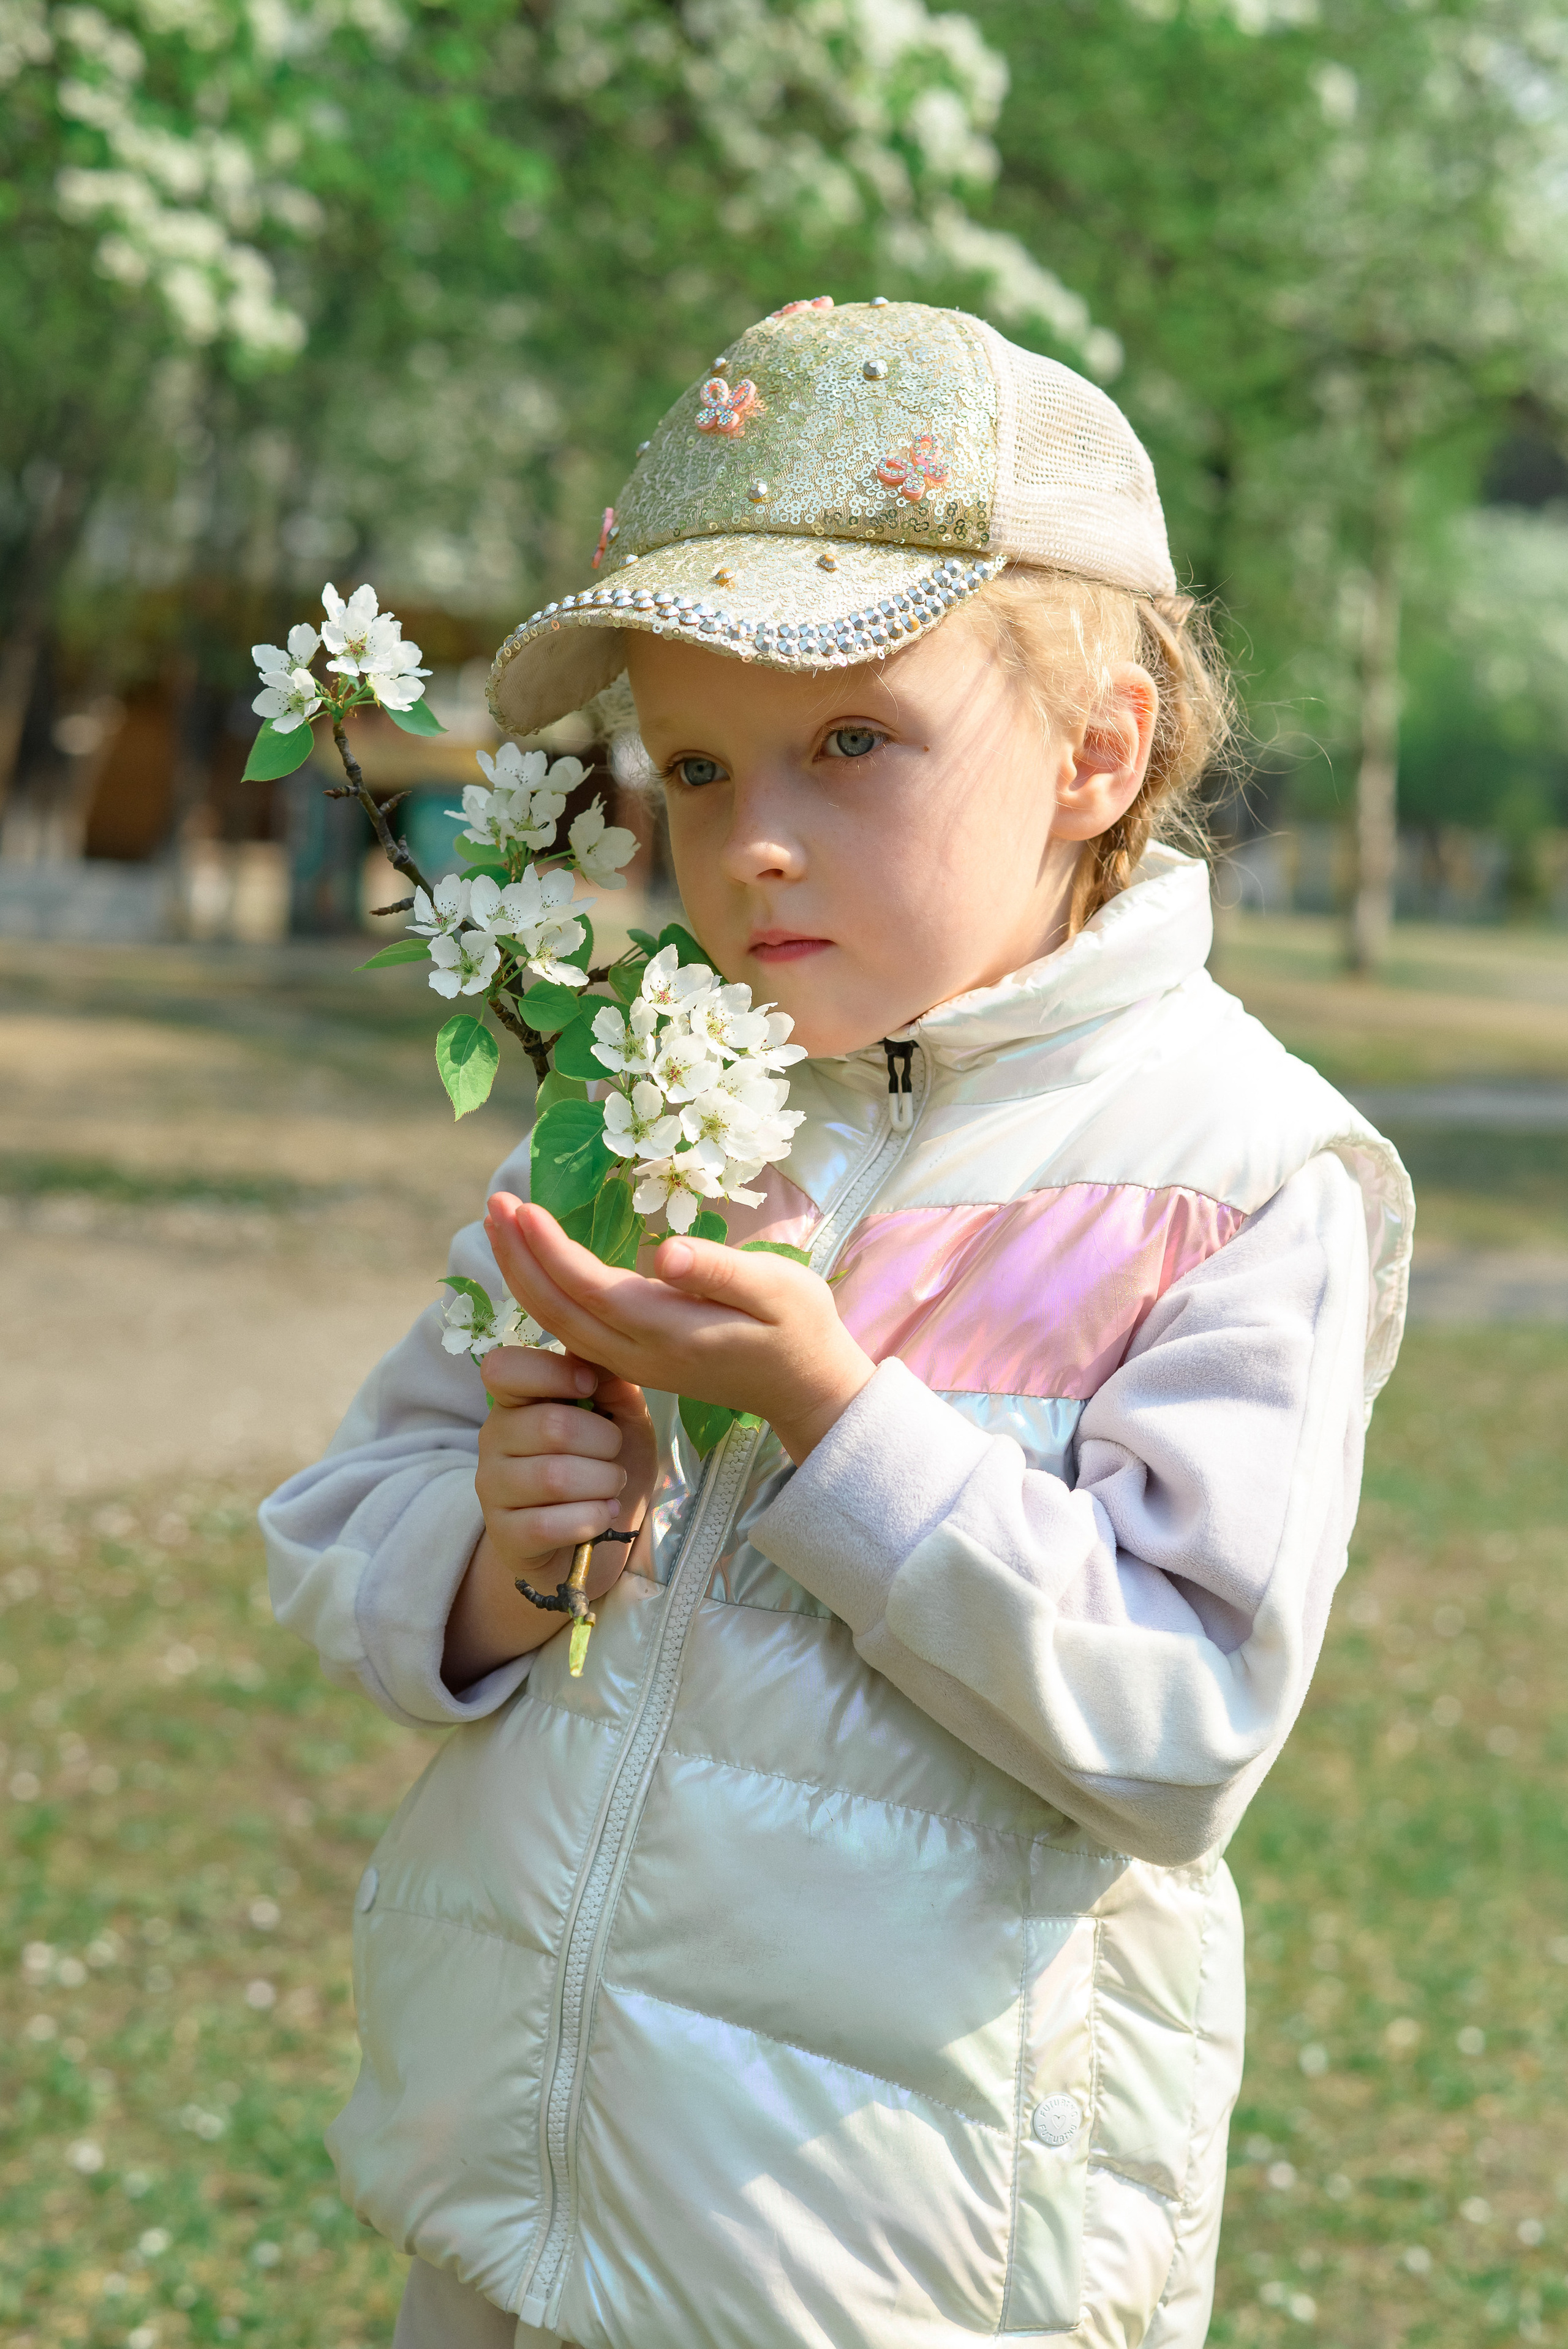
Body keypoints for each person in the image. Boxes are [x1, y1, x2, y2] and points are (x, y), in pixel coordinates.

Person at [261, 298, 1412, 2349]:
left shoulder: (1230, 1176)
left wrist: (822, 1410)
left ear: (1097, 751)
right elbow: (353, 1513)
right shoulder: (654, 1088)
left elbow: (1182, 1721)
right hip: (515, 2207)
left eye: (849, 741)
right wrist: (504, 1564)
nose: (752, 835)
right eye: (695, 766)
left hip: (886, 2260)